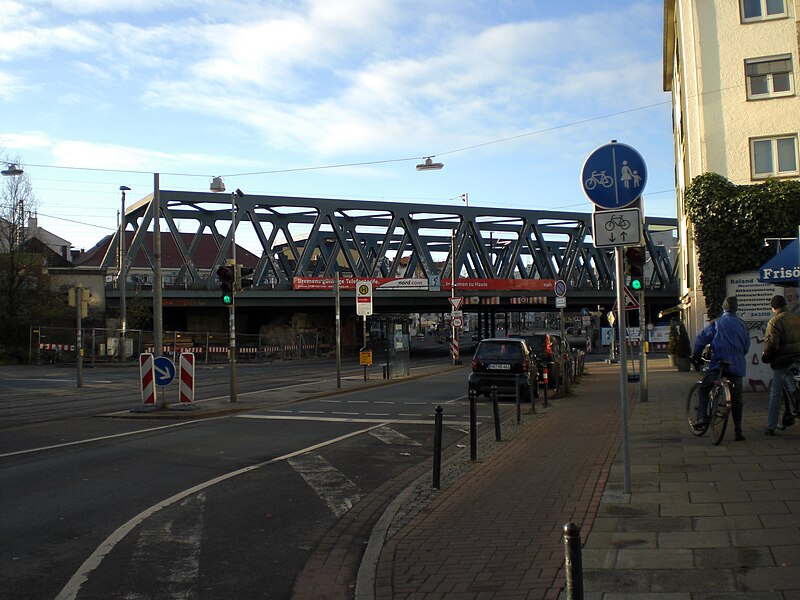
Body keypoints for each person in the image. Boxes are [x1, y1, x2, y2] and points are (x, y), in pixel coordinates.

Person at [691, 296, 750, 441]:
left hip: (719, 364)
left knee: (705, 388)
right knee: (737, 399)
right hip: (736, 365)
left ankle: (702, 418)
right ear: (736, 309)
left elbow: (701, 339)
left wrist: (696, 356)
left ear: (723, 308)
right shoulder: (742, 324)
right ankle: (738, 431)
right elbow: (746, 346)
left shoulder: (717, 323)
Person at [761, 295, 800, 435]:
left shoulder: (775, 321)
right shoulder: (797, 317)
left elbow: (772, 344)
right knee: (793, 380)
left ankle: (771, 426)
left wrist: (766, 356)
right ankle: (795, 394)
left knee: (775, 394)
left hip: (782, 361)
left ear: (774, 307)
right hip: (797, 359)